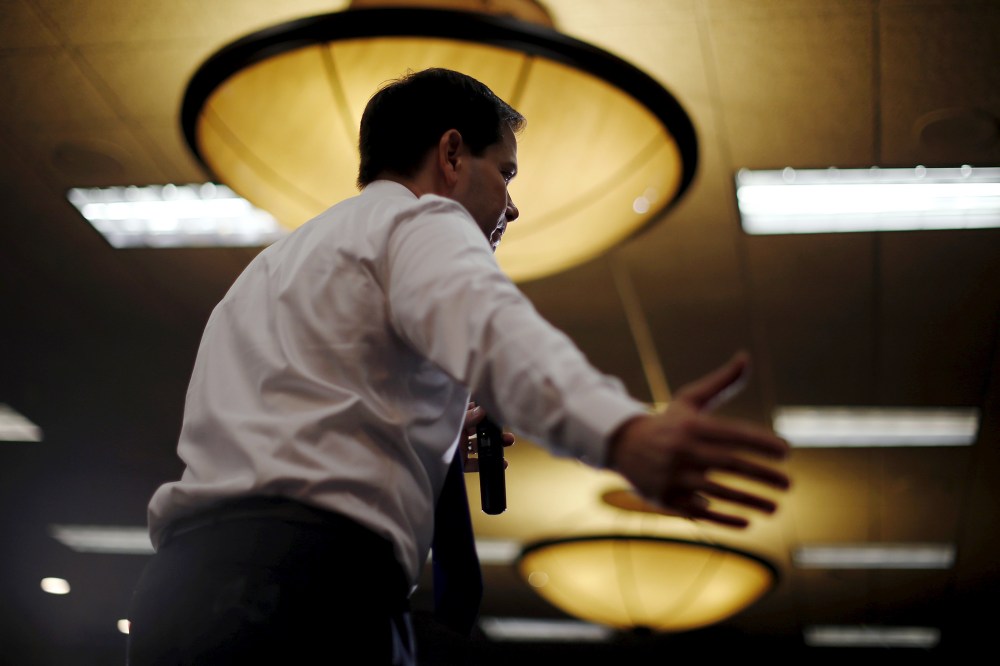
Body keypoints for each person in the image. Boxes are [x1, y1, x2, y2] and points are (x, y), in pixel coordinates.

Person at [125, 67, 791, 665]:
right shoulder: (420, 222)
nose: (512, 204)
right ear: (450, 155)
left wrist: (425, 431)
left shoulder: (266, 271)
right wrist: (624, 433)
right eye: (505, 172)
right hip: (304, 596)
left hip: (176, 598)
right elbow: (493, 328)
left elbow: (307, 416)